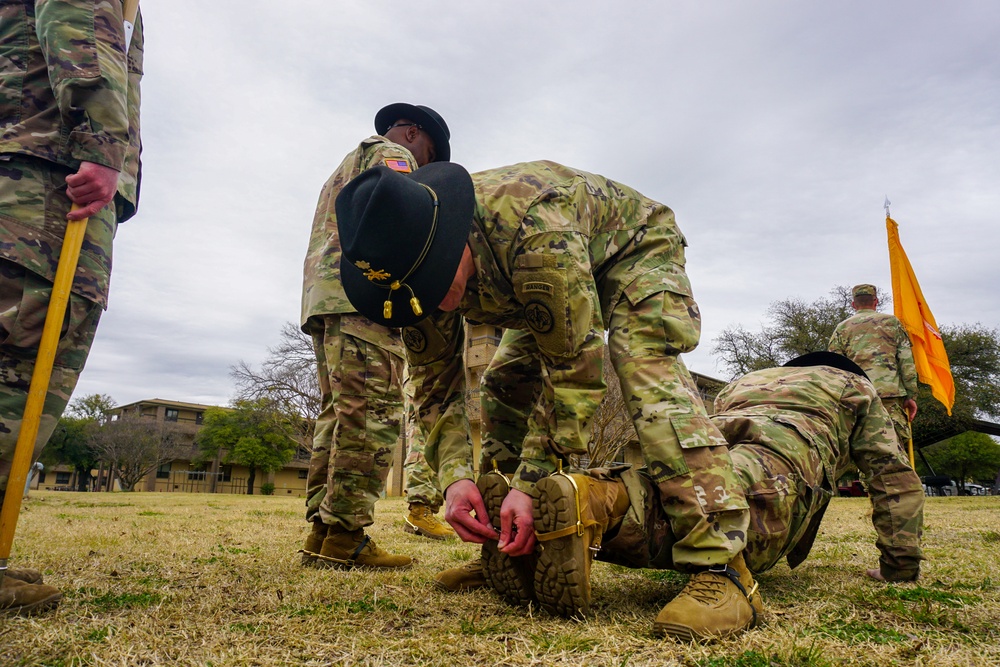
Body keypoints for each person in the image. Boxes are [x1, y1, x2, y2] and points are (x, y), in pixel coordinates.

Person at [335, 160, 753, 635]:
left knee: (644, 370)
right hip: (541, 285)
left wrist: (531, 480)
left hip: (633, 252)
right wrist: (452, 480)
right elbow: (435, 386)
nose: (440, 305)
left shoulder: (534, 229)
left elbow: (574, 366)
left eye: (436, 282)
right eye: (420, 293)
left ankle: (723, 568)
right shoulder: (405, 278)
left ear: (451, 237)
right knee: (502, 384)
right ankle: (510, 544)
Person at [522, 352, 925, 640]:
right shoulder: (854, 384)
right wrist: (898, 564)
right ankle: (723, 580)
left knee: (680, 493)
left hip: (707, 445)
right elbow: (891, 476)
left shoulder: (746, 380)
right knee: (744, 509)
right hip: (783, 452)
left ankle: (596, 497)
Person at [0, 0, 143, 616]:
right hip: (45, 171)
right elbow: (80, 20)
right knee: (19, 363)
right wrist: (102, 140)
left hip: (39, 162)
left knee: (28, 363)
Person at [299, 103, 457, 571]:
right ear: (412, 133)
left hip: (326, 296)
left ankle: (324, 531)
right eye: (428, 154)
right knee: (372, 415)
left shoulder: (345, 165)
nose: (425, 167)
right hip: (365, 298)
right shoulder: (393, 155)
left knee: (339, 415)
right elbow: (399, 225)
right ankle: (346, 537)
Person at [828, 284, 919, 451]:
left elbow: (834, 367)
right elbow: (906, 362)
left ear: (853, 304)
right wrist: (911, 395)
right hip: (890, 396)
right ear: (875, 301)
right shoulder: (892, 323)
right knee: (894, 448)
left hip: (858, 397)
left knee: (864, 448)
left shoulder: (842, 328)